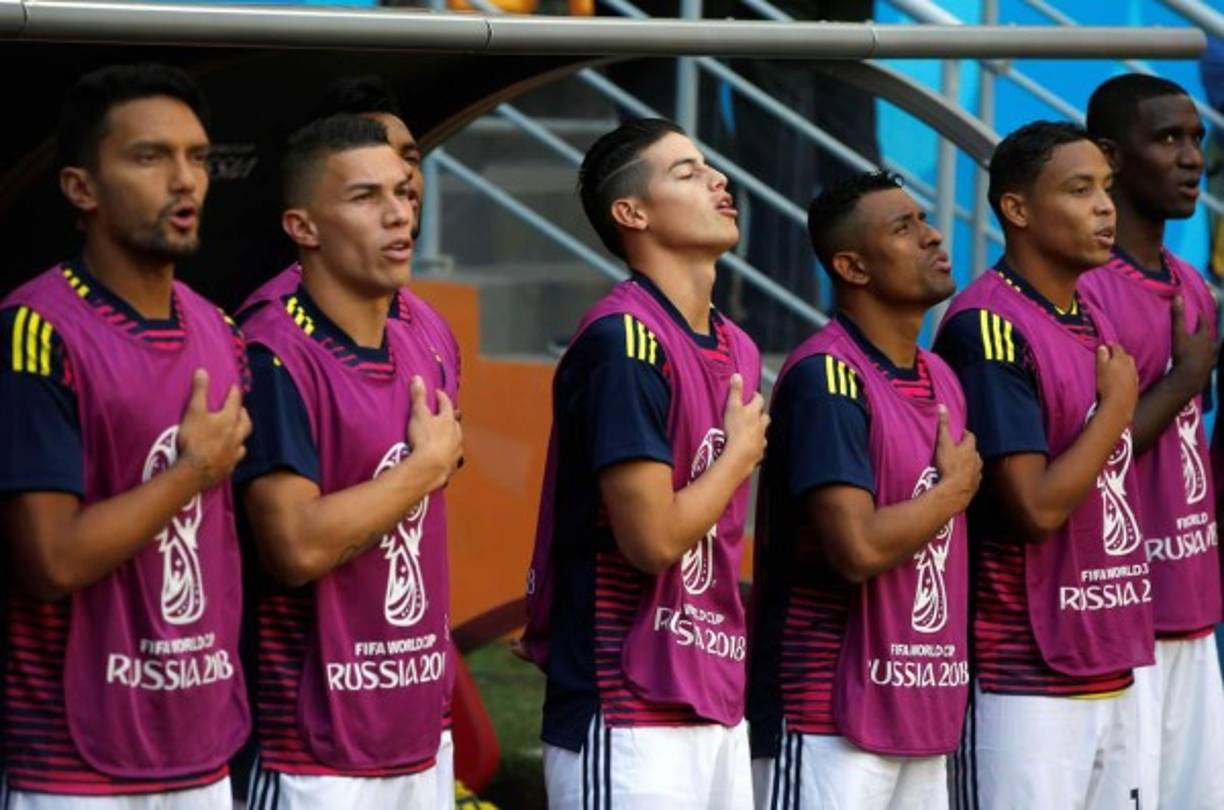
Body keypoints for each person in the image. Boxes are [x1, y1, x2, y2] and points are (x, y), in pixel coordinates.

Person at [0, 64, 252, 809]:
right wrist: (190, 471)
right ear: (81, 188)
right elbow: (49, 559)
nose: (185, 180)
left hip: (202, 749)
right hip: (74, 766)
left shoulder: (222, 333)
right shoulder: (36, 330)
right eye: (150, 157)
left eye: (198, 157)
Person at [519, 118, 767, 809]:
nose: (719, 181)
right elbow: (651, 539)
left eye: (710, 167)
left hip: (713, 691)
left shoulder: (737, 346)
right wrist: (739, 455)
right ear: (631, 213)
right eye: (686, 173)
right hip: (627, 704)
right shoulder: (624, 341)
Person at [236, 115, 463, 808]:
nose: (399, 213)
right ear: (302, 227)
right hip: (313, 753)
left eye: (403, 191)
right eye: (366, 197)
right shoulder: (272, 352)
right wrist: (422, 470)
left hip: (422, 728)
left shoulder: (426, 340)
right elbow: (294, 545)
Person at [934, 121, 1153, 809]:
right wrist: (1115, 411)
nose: (1105, 207)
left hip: (1114, 652)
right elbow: (1032, 508)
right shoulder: (989, 326)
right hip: (1022, 668)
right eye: (1080, 189)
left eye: (1107, 190)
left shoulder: (1090, 313)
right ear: (1017, 209)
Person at [747, 171, 980, 809]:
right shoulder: (828, 379)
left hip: (923, 707)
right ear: (852, 266)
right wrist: (951, 493)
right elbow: (855, 548)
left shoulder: (941, 377)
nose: (934, 236)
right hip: (826, 716)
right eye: (903, 228)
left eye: (924, 221)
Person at [1079, 74, 1224, 809]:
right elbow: (1082, 462)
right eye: (1167, 139)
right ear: (1110, 156)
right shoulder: (1088, 293)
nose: (1192, 157)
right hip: (1118, 616)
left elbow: (1196, 447)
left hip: (1194, 607)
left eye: (1196, 138)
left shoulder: (1190, 283)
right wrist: (1186, 377)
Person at [237, 75, 425, 318]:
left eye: (410, 158)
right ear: (303, 225)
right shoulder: (272, 335)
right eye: (374, 163)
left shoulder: (429, 324)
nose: (402, 173)